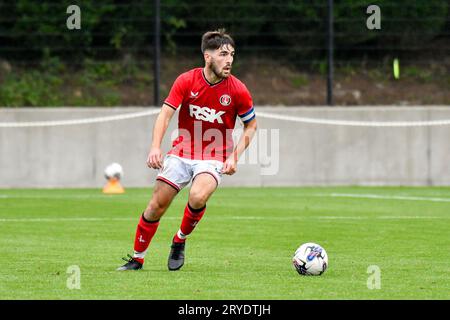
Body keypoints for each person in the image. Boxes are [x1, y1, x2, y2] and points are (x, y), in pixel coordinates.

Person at [117, 28, 257, 271]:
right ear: (207, 57)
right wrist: (155, 147)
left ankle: (179, 240)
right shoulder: (186, 80)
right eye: (223, 54)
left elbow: (251, 125)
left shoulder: (237, 89)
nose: (230, 60)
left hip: (215, 155)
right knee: (155, 206)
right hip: (182, 152)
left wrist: (235, 157)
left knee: (197, 195)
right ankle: (137, 258)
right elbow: (165, 114)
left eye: (232, 54)